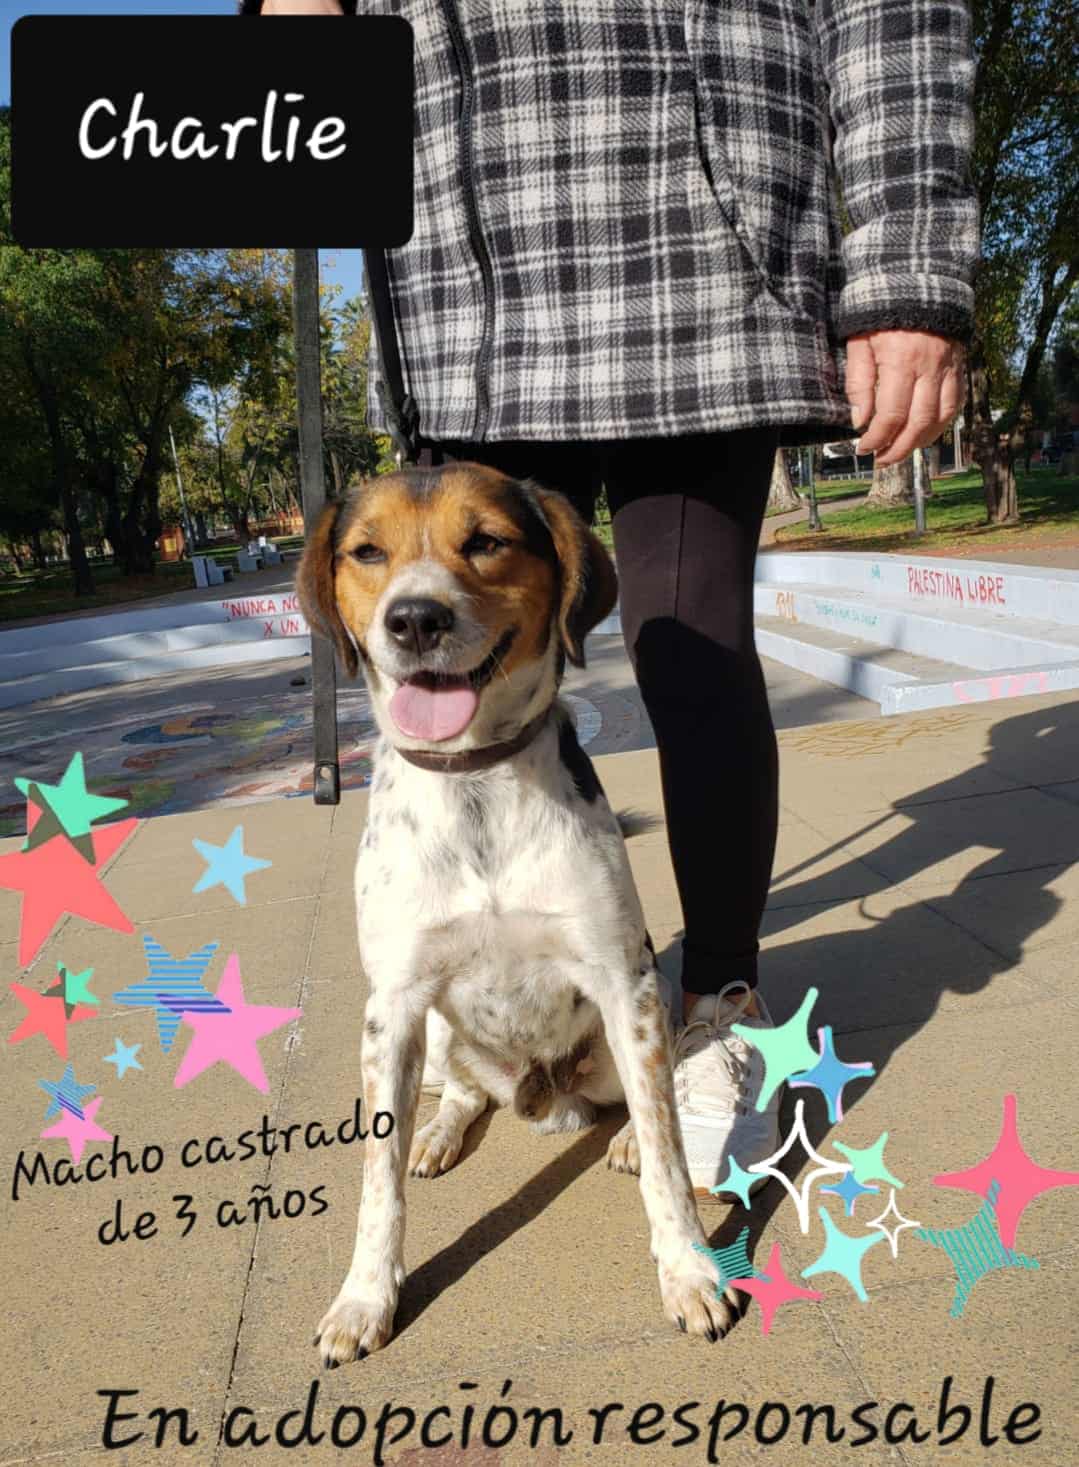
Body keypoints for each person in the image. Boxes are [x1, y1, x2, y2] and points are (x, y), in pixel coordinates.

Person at [246, 0, 978, 1192]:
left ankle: (718, 1004)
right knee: (445, 662)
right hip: (451, 265)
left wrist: (905, 263)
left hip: (698, 244)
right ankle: (463, 1021)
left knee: (688, 647)